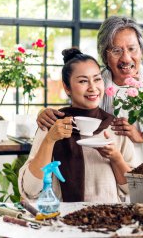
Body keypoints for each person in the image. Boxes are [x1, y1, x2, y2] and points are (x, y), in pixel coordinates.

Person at [37, 16, 143, 169]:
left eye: (132, 49)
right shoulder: (99, 83)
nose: (126, 58)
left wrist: (141, 136)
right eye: (116, 51)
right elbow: (78, 115)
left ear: (140, 50)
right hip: (122, 180)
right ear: (105, 54)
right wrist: (46, 114)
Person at [19, 48, 134, 203]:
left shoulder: (115, 126)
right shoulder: (52, 124)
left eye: (97, 79)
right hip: (60, 220)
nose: (93, 87)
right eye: (83, 81)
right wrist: (50, 140)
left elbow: (134, 189)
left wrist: (116, 158)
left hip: (109, 220)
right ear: (67, 88)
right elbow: (30, 190)